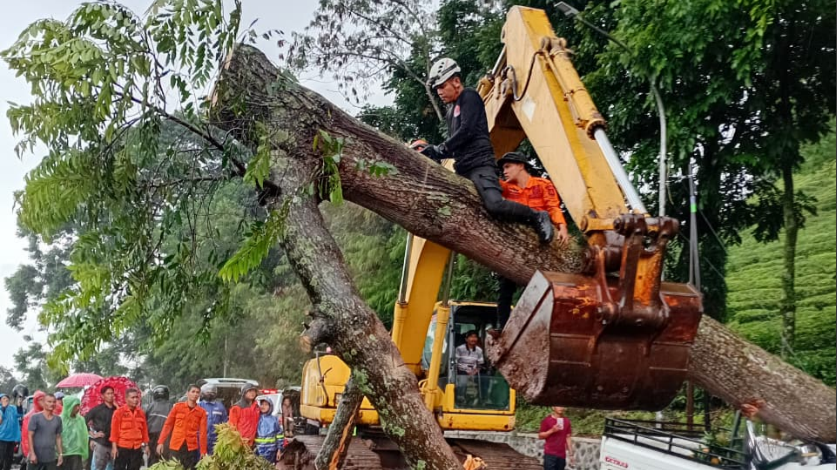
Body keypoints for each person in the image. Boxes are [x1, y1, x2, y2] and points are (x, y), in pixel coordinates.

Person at [420, 57, 554, 244]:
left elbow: (467, 131)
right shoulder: (451, 114)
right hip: (463, 169)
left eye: (442, 86)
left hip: (480, 166)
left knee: (494, 204)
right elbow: (456, 145)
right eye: (437, 89)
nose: (439, 92)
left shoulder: (469, 97)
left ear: (456, 81)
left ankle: (537, 216)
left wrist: (440, 148)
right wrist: (432, 151)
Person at [494, 151, 570, 331]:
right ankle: (502, 327)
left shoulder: (543, 184)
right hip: (515, 242)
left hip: (539, 240)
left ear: (521, 165)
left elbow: (553, 206)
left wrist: (562, 227)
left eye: (507, 166)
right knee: (505, 288)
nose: (504, 171)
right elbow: (489, 185)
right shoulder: (506, 188)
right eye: (503, 168)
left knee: (538, 287)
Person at [157, 385, 206, 470]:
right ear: (187, 393)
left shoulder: (201, 412)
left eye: (197, 392)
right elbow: (167, 425)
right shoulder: (178, 407)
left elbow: (203, 433)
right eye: (193, 391)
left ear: (199, 395)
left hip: (191, 447)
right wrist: (161, 442)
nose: (195, 394)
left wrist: (203, 451)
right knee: (174, 468)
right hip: (176, 445)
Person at [109, 388, 149, 470]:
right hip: (122, 447)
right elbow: (114, 432)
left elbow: (144, 431)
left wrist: (147, 445)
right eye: (132, 397)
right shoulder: (119, 412)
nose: (135, 400)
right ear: (126, 399)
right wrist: (114, 448)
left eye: (137, 397)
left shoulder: (141, 413)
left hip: (137, 448)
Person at [27, 393, 63, 470]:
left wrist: (60, 454)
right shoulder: (35, 418)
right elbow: (30, 436)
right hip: (36, 458)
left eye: (53, 402)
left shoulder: (58, 419)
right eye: (49, 402)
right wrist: (32, 454)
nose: (52, 404)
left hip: (50, 458)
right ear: (43, 403)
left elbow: (58, 437)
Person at [86, 386, 117, 470]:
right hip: (101, 442)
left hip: (114, 443)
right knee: (99, 467)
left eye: (112, 393)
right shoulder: (97, 409)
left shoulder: (117, 409)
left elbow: (124, 419)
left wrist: (117, 406)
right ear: (103, 396)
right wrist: (92, 434)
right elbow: (84, 421)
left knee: (114, 467)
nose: (111, 395)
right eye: (108, 393)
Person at [144, 385, 172, 466]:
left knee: (152, 459)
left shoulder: (150, 406)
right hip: (166, 436)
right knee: (165, 459)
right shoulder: (170, 405)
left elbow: (145, 423)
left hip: (152, 436)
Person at [60, 396, 88, 470]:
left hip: (76, 453)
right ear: (68, 406)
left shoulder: (80, 420)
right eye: (75, 406)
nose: (78, 408)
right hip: (63, 454)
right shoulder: (60, 420)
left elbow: (84, 436)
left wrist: (84, 450)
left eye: (79, 405)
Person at [198, 384, 227, 455]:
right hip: (201, 439)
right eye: (207, 392)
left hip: (216, 440)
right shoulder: (199, 406)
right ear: (203, 393)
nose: (210, 394)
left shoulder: (220, 406)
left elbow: (225, 422)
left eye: (212, 392)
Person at [254, 398, 283, 464]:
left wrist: (279, 450)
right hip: (258, 451)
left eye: (266, 404)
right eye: (262, 404)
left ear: (270, 406)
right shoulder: (256, 418)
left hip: (271, 452)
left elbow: (279, 435)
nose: (263, 406)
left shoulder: (274, 419)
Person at [21, 390, 46, 462]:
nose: (43, 402)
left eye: (44, 399)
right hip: (35, 453)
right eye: (41, 400)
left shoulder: (49, 414)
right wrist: (30, 453)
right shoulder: (29, 417)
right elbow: (26, 438)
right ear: (36, 401)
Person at [0, 393, 21, 470]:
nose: (6, 399)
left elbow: (20, 414)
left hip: (12, 439)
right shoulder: (0, 409)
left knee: (9, 460)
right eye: (4, 398)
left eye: (7, 398)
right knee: (1, 459)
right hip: (1, 439)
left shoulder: (13, 408)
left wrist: (19, 405)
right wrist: (3, 408)